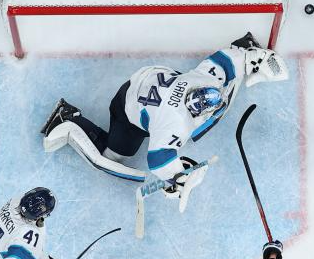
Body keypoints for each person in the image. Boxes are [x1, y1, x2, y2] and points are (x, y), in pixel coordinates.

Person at [40, 32, 287, 207]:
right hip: (127, 106)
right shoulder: (175, 124)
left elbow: (225, 60)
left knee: (222, 91)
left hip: (152, 81)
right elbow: (157, 160)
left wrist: (254, 56)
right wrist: (177, 176)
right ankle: (67, 118)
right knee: (113, 157)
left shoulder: (203, 80)